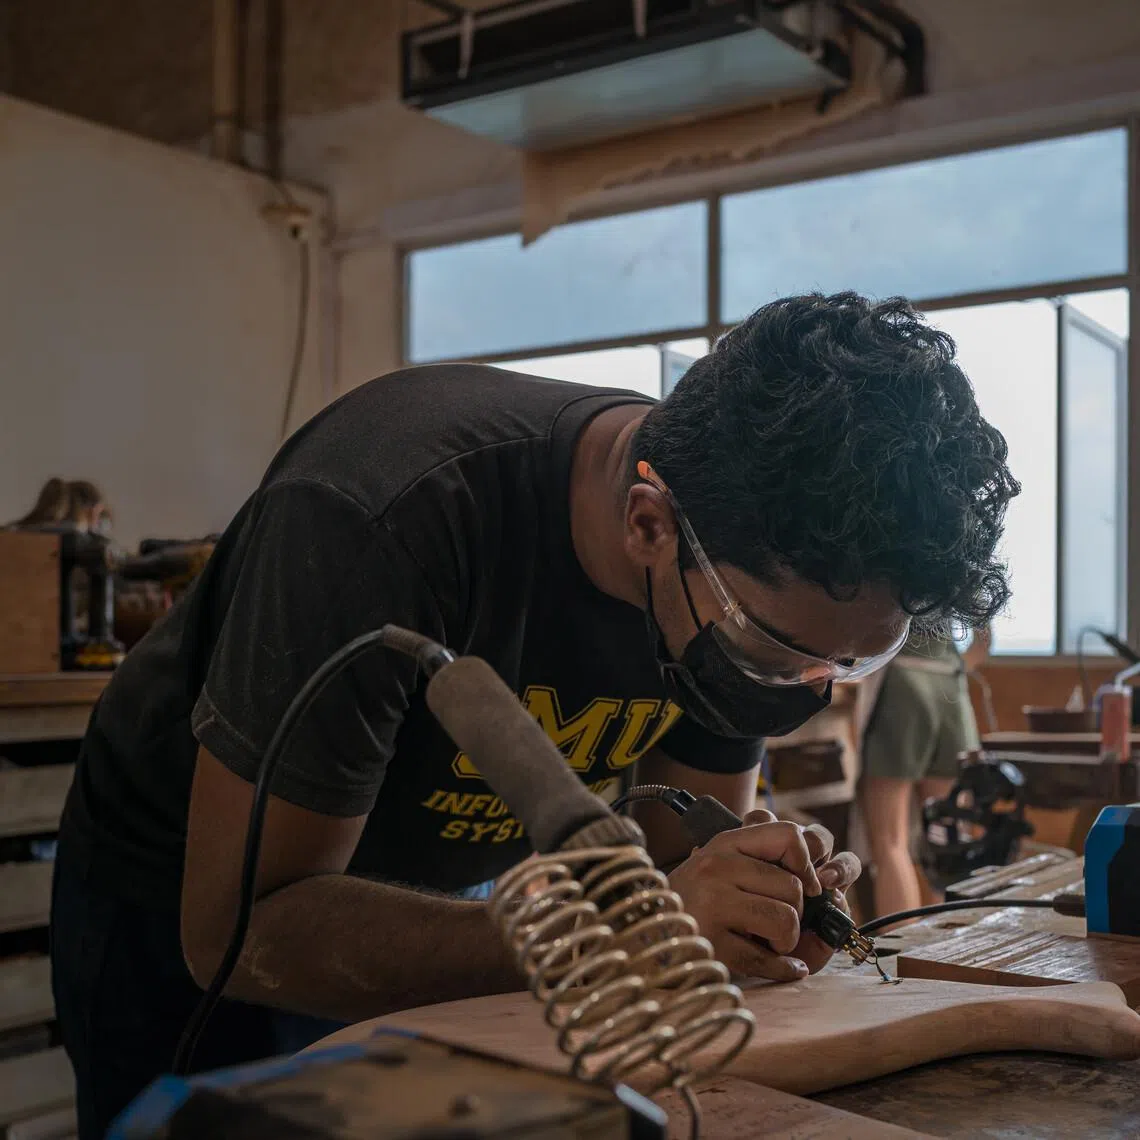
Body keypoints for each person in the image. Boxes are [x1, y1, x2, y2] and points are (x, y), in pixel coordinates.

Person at [50, 292, 1019, 1137]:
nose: (808, 691)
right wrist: (628, 937)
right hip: (198, 901)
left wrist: (748, 900)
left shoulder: (749, 564)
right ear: (649, 525)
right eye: (782, 653)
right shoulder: (382, 512)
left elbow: (679, 853)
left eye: (857, 661)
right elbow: (245, 931)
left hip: (472, 888)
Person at [859, 626, 992, 917]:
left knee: (890, 840)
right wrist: (950, 666)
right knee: (948, 835)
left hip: (903, 683)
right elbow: (983, 643)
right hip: (952, 689)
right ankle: (948, 951)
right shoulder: (967, 577)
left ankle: (899, 955)